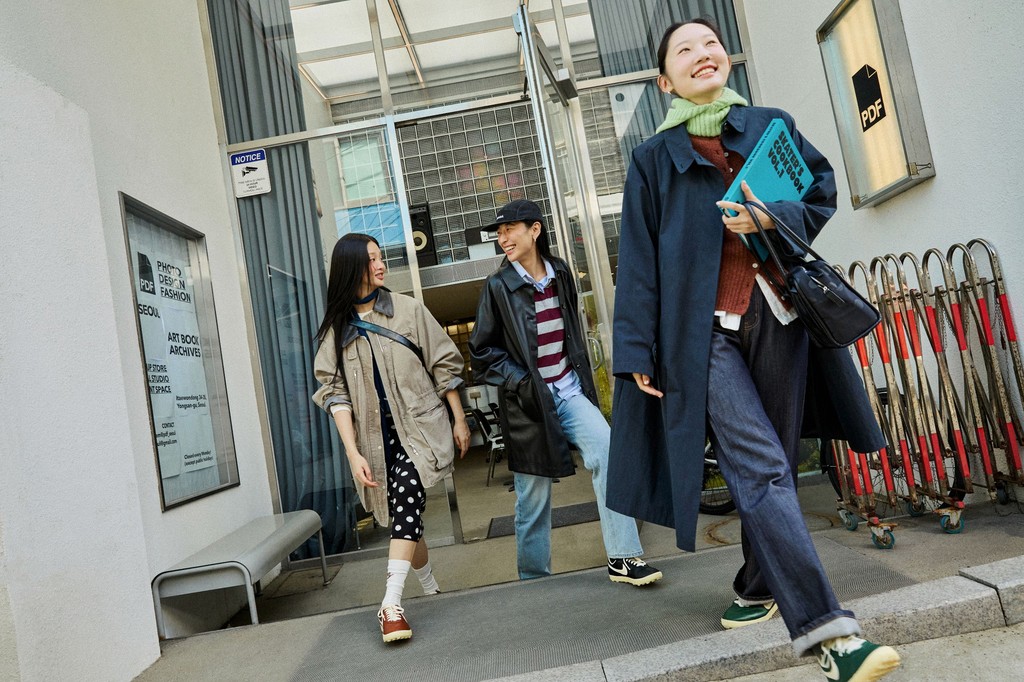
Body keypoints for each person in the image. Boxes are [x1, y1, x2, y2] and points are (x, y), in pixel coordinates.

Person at [606, 19, 901, 682]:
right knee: (761, 465)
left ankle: (758, 582)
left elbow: (819, 191)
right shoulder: (653, 159)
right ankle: (831, 636)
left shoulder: (770, 126)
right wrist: (636, 350)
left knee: (776, 463)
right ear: (665, 81)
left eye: (710, 43)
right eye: (684, 50)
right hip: (698, 337)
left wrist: (770, 216)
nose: (701, 54)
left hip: (778, 318)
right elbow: (639, 260)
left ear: (727, 58)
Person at [470, 199, 663, 586]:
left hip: (568, 389)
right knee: (533, 495)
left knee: (608, 451)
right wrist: (522, 382)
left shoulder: (559, 272)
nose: (503, 238)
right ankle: (535, 580)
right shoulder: (498, 286)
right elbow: (481, 352)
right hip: (529, 401)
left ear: (535, 230)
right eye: (499, 233)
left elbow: (571, 329)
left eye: (510, 230)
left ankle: (623, 557)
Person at [312, 233, 471, 643]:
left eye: (380, 257)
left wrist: (459, 419)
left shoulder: (408, 309)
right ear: (351, 267)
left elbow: (443, 364)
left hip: (420, 430)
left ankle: (390, 603)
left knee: (407, 494)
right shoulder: (336, 330)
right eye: (371, 260)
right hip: (376, 442)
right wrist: (352, 453)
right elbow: (335, 395)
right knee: (406, 515)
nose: (380, 265)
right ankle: (431, 587)